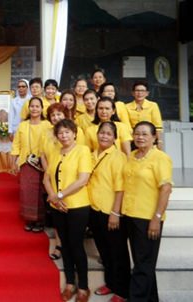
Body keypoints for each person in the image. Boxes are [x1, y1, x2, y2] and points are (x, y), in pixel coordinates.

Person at [122, 121, 173, 301]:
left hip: (148, 218)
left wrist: (156, 218)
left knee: (143, 265)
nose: (140, 137)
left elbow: (166, 189)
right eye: (137, 134)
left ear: (154, 137)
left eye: (144, 134)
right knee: (143, 263)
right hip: (130, 215)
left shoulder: (160, 158)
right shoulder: (132, 156)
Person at [43, 119, 92, 302]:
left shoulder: (83, 151)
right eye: (60, 133)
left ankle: (84, 287)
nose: (64, 136)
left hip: (77, 206)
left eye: (67, 132)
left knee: (76, 245)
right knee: (65, 245)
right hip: (57, 206)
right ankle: (70, 283)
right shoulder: (55, 152)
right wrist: (53, 197)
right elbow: (46, 178)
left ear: (74, 133)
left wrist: (59, 196)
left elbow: (82, 180)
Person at [87, 122, 130, 302]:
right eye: (102, 133)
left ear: (114, 138)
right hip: (94, 209)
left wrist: (115, 212)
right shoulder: (92, 155)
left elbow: (120, 188)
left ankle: (122, 290)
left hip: (110, 211)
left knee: (118, 252)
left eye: (108, 134)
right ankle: (110, 283)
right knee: (104, 251)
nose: (104, 136)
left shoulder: (118, 157)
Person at [11, 97, 48, 233]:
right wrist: (13, 162)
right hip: (25, 162)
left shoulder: (48, 125)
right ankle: (29, 219)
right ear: (28, 108)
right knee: (27, 191)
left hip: (42, 163)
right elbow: (16, 145)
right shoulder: (23, 125)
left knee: (40, 191)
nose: (34, 109)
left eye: (37, 106)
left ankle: (40, 220)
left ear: (42, 108)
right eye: (32, 106)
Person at [126, 80, 163, 150]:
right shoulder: (126, 107)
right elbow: (127, 126)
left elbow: (158, 126)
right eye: (137, 90)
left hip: (149, 139)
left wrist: (159, 141)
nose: (139, 93)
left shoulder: (153, 105)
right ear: (133, 93)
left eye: (142, 91)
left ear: (147, 93)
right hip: (133, 140)